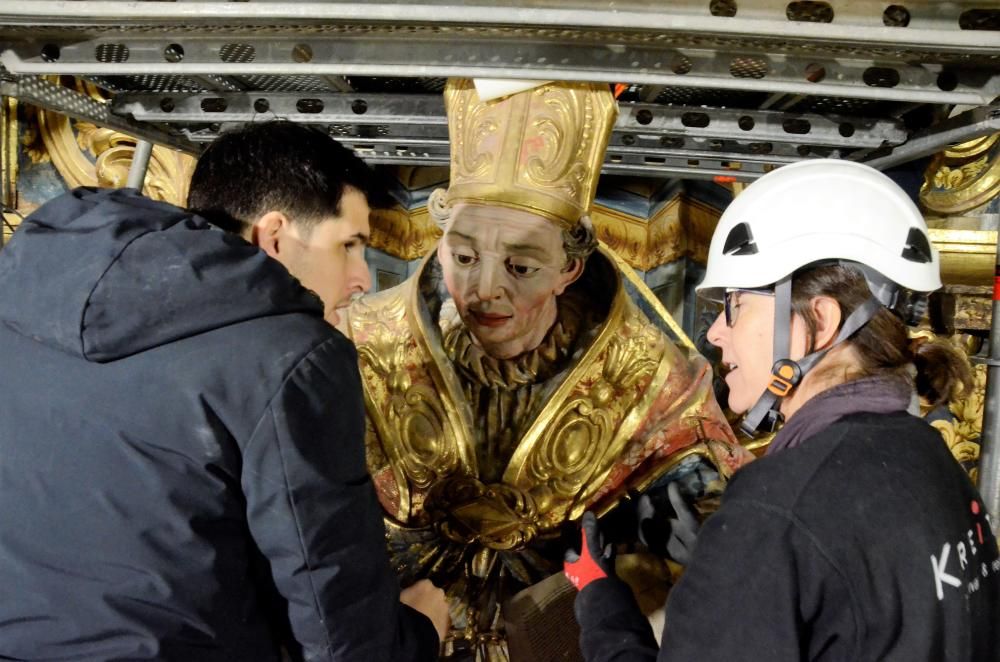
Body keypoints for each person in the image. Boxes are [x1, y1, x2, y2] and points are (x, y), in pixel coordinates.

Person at [0, 121, 448, 661]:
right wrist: (418, 636)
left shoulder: (23, 293)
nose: (361, 278)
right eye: (349, 245)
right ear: (274, 235)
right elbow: (332, 605)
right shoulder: (291, 356)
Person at [343, 79, 751, 660]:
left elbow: (707, 528)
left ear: (569, 268)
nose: (485, 290)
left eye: (521, 265)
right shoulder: (363, 342)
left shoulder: (651, 377)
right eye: (463, 258)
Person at [567, 159, 1000, 661]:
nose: (715, 332)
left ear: (817, 320)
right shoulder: (932, 461)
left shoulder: (777, 509)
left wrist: (600, 604)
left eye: (736, 306)